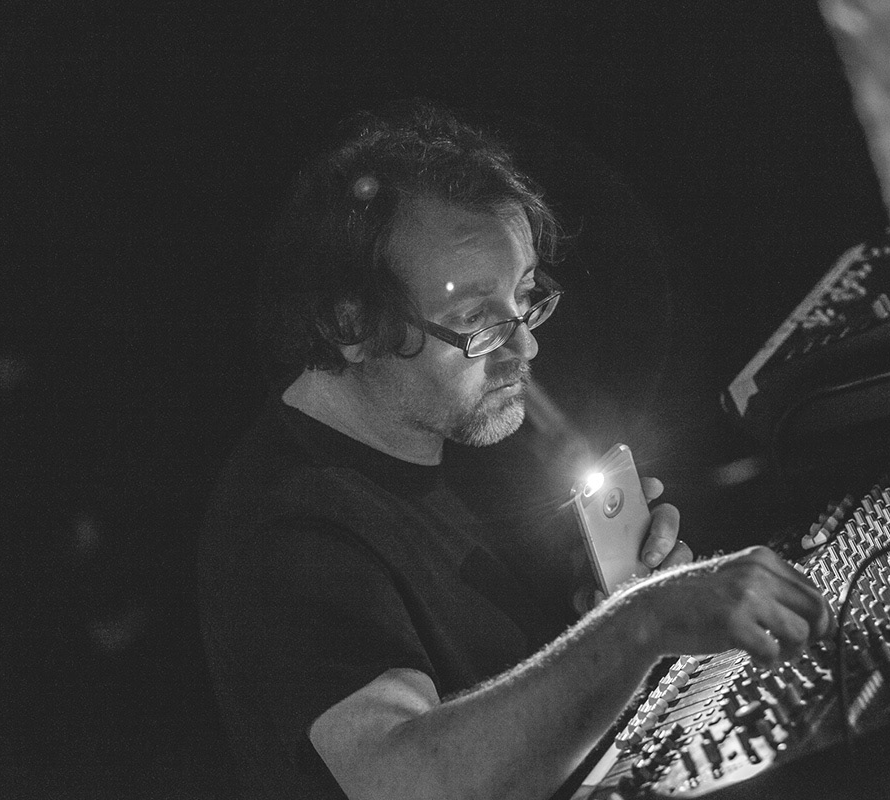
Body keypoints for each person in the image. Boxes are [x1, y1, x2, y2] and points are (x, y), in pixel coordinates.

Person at [198, 100, 835, 800]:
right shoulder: (288, 532)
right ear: (352, 326)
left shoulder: (466, 424)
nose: (523, 347)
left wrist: (602, 608)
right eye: (475, 319)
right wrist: (638, 625)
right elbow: (404, 780)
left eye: (525, 297)